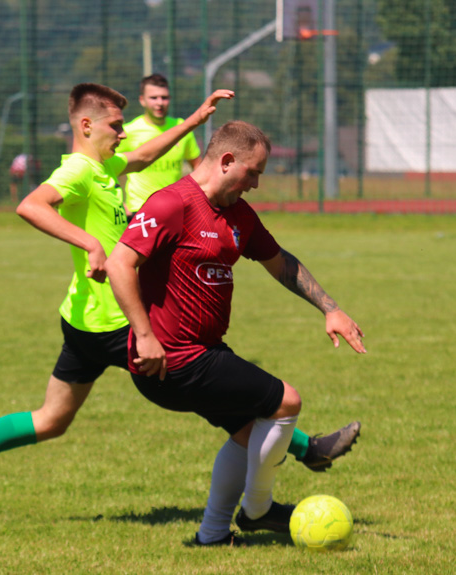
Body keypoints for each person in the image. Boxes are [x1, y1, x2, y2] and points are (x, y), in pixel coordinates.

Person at [0, 86, 359, 521]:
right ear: (85, 126)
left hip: (82, 320)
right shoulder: (78, 171)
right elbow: (32, 205)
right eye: (115, 125)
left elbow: (145, 154)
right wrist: (91, 246)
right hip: (124, 320)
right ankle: (301, 455)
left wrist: (196, 119)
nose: (123, 133)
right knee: (215, 390)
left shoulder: (105, 167)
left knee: (51, 419)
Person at [105, 120, 367, 546]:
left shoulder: (238, 215)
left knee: (250, 435)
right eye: (254, 172)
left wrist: (330, 309)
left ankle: (210, 536)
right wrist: (146, 335)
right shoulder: (172, 204)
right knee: (286, 401)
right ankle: (259, 509)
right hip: (174, 357)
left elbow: (281, 262)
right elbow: (120, 264)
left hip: (202, 351)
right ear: (226, 161)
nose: (257, 185)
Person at [116, 74, 201, 218]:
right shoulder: (129, 131)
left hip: (175, 209)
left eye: (164, 97)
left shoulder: (181, 128)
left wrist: (196, 199)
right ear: (142, 100)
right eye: (153, 98)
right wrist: (118, 202)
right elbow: (106, 167)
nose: (160, 103)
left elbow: (198, 166)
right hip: (140, 210)